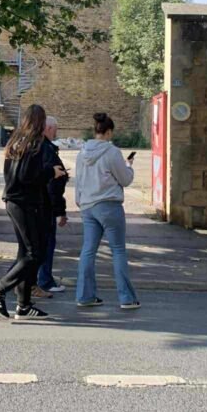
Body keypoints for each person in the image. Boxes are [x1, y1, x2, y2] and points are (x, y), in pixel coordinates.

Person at [0, 104, 66, 320]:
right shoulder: (34, 144)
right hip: (25, 203)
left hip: (14, 200)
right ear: (40, 122)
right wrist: (51, 172)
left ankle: (24, 305)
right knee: (34, 254)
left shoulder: (17, 140)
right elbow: (27, 176)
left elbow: (17, 174)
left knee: (25, 253)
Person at [75, 112, 140, 310]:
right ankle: (126, 298)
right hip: (109, 205)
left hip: (87, 205)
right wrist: (129, 166)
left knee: (88, 250)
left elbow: (78, 181)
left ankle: (85, 296)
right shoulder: (112, 152)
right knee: (118, 250)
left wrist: (80, 200)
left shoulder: (82, 152)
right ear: (109, 132)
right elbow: (125, 179)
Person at [33, 116, 69, 299]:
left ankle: (29, 281)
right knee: (45, 244)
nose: (56, 132)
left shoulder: (40, 147)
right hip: (45, 206)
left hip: (39, 204)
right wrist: (59, 211)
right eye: (55, 128)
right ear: (48, 128)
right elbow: (53, 184)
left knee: (37, 246)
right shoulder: (46, 149)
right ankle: (43, 280)